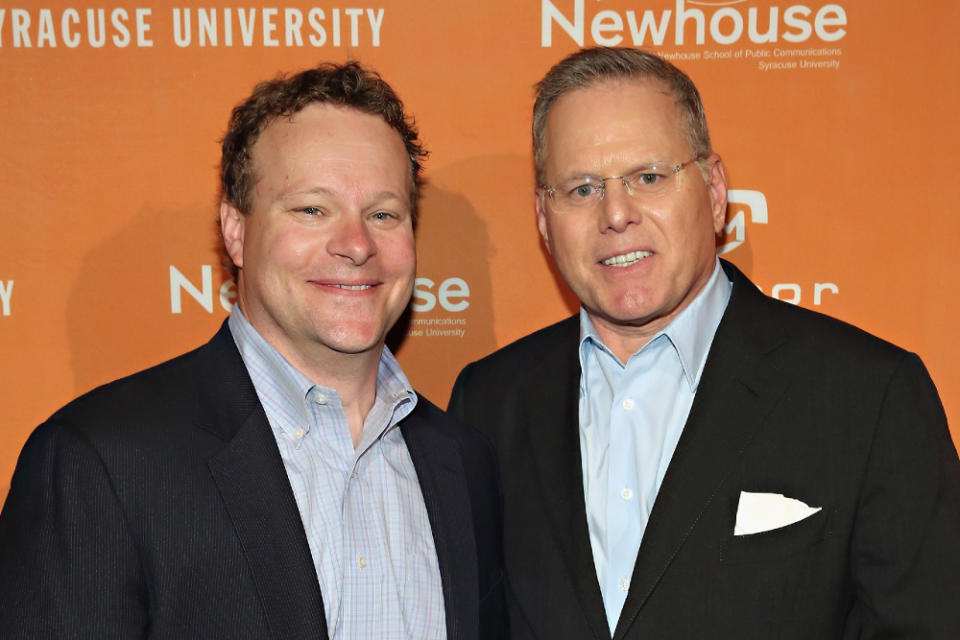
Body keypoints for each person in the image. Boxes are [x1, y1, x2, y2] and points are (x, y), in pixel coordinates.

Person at [448, 47, 960, 639]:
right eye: (582, 188)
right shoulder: (487, 403)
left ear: (714, 190)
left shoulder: (868, 397)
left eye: (648, 177)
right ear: (543, 216)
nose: (617, 214)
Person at [0, 61, 505, 639]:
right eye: (313, 209)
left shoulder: (464, 463)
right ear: (236, 231)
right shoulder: (99, 463)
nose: (357, 244)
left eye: (384, 214)